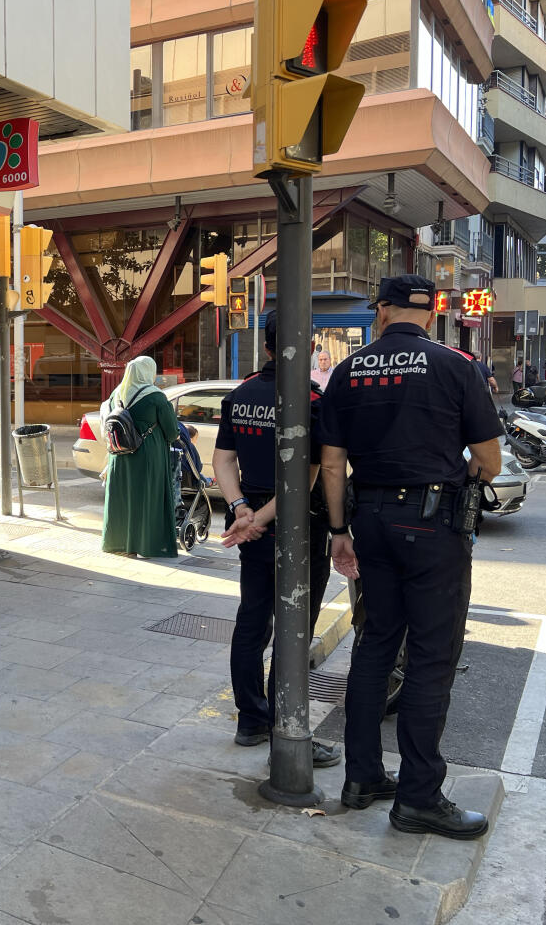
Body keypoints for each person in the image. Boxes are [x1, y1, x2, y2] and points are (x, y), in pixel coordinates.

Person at [317, 274, 503, 840]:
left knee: (375, 643)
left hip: (368, 519)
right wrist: (460, 482)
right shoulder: (455, 365)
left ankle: (363, 777)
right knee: (430, 655)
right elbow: (489, 459)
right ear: (427, 314)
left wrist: (339, 529)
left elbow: (331, 465)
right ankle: (419, 796)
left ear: (383, 312)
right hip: (431, 522)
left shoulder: (347, 372)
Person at [212, 313, 340, 764]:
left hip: (255, 526)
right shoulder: (311, 402)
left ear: (266, 348)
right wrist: (255, 517)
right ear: (305, 349)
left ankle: (251, 719)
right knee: (294, 627)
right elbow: (302, 480)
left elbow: (222, 461)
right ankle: (286, 724)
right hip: (299, 528)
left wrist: (239, 510)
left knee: (252, 621)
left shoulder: (240, 395)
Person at [100, 356, 179, 558]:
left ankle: (119, 543)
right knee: (147, 499)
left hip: (119, 455)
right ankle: (146, 545)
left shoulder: (116, 394)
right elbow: (172, 432)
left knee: (123, 498)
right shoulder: (155, 397)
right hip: (147, 456)